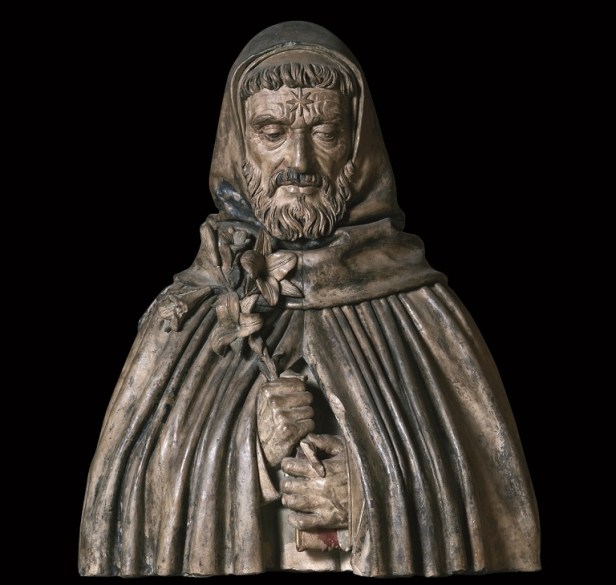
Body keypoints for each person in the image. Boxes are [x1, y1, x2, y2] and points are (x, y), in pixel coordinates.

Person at [79, 21, 540, 577]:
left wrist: (369, 491)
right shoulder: (186, 314)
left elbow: (491, 495)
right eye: (271, 132)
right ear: (238, 147)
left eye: (324, 131)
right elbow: (124, 497)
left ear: (357, 148)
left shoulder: (425, 311)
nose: (298, 161)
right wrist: (253, 451)